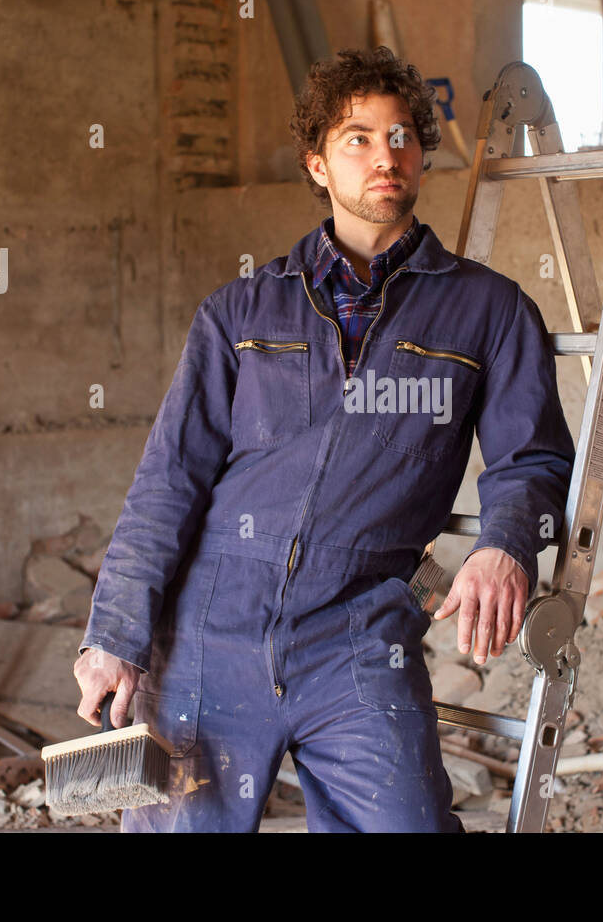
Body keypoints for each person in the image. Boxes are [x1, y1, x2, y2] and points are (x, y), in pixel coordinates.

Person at [73, 46, 575, 832]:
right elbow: (168, 483)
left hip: (359, 636)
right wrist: (114, 636)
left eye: (403, 136)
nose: (387, 157)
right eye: (359, 139)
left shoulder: (488, 310)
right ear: (316, 164)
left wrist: (506, 544)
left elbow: (533, 456)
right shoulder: (240, 313)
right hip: (211, 636)